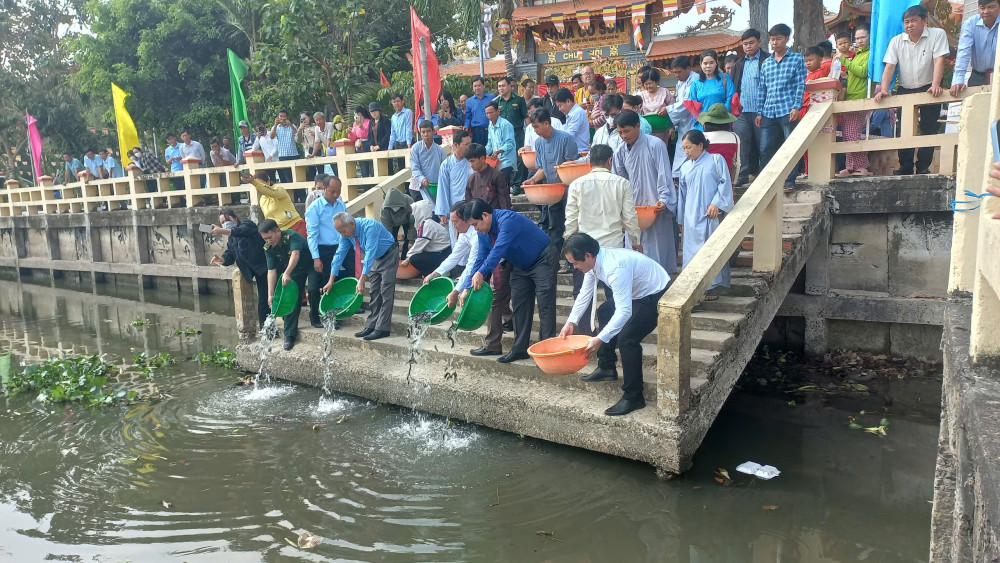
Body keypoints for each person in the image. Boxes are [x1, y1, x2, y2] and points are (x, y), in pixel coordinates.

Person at [559, 232, 669, 416]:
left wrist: (600, 338)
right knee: (604, 311)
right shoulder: (593, 261)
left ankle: (634, 396)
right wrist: (571, 321)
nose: (574, 267)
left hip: (655, 294)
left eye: (575, 263)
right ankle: (606, 366)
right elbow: (585, 293)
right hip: (636, 293)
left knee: (627, 339)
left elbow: (624, 311)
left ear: (587, 255)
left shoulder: (615, 267)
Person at [456, 199, 558, 363]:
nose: (475, 229)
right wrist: (467, 285)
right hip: (520, 264)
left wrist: (482, 273)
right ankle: (519, 349)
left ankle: (546, 351)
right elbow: (480, 257)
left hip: (543, 259)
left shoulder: (508, 220)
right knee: (519, 305)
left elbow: (498, 250)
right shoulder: (483, 233)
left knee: (545, 305)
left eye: (475, 224)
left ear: (485, 215)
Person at [564, 143, 641, 335]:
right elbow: (630, 217)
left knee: (582, 292)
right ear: (610, 161)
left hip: (583, 249)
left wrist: (570, 244)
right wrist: (636, 240)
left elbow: (571, 219)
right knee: (614, 294)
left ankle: (584, 335)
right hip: (613, 247)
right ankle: (615, 334)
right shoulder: (622, 183)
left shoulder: (577, 184)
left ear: (589, 162)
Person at [875, 4, 949, 175]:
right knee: (904, 129)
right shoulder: (897, 40)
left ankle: (923, 165)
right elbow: (890, 67)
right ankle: (905, 166)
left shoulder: (937, 35)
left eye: (914, 21)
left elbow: (939, 61)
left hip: (929, 86)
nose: (909, 25)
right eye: (906, 22)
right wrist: (884, 89)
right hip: (906, 88)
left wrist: (936, 85)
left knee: (928, 127)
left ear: (925, 21)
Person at [612, 110, 678, 274]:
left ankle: (659, 282)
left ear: (637, 126)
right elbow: (618, 179)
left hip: (654, 203)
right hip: (633, 206)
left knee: (656, 246)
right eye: (620, 132)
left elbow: (664, 173)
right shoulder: (620, 150)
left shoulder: (655, 144)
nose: (623, 136)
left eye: (626, 131)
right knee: (634, 244)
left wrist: (663, 199)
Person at [678, 130, 734, 307]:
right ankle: (693, 286)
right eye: (684, 148)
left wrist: (717, 203)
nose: (686, 151)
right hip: (690, 215)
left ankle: (712, 286)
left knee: (710, 248)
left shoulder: (716, 160)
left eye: (689, 147)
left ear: (700, 145)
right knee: (691, 252)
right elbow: (682, 194)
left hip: (710, 213)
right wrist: (681, 218)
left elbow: (725, 183)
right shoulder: (685, 167)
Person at [323, 212, 399, 341]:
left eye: (343, 231)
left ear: (352, 224)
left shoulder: (370, 226)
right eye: (339, 232)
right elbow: (339, 255)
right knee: (374, 291)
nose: (342, 234)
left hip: (388, 254)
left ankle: (383, 329)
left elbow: (369, 252)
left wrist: (362, 279)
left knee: (386, 291)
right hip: (376, 258)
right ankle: (372, 325)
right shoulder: (347, 234)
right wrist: (331, 280)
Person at [756, 23, 807, 191]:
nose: (774, 43)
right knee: (765, 149)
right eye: (771, 39)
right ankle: (765, 182)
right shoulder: (766, 63)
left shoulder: (797, 59)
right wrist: (759, 112)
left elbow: (800, 85)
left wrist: (796, 106)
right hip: (769, 110)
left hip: (788, 109)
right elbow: (762, 88)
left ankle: (790, 181)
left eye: (778, 39)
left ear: (787, 39)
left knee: (790, 147)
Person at [523, 108, 578, 254]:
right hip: (552, 193)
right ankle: (556, 260)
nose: (534, 130)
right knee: (554, 227)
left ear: (546, 123)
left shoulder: (566, 139)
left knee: (571, 226)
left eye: (536, 126)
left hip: (569, 191)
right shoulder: (539, 143)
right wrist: (533, 180)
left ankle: (572, 260)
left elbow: (571, 166)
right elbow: (542, 169)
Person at [305, 175, 355, 328]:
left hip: (342, 246)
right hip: (322, 249)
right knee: (318, 285)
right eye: (332, 191)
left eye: (338, 191)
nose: (335, 195)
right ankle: (316, 317)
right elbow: (312, 235)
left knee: (349, 277)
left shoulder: (341, 205)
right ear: (324, 189)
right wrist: (316, 257)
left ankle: (342, 310)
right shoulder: (315, 208)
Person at [258, 219, 313, 350]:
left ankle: (317, 319)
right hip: (295, 270)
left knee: (314, 289)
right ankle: (289, 335)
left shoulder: (291, 235)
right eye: (265, 239)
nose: (268, 241)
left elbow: (295, 254)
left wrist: (287, 273)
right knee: (290, 297)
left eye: (270, 237)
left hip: (311, 264)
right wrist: (270, 295)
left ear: (278, 231)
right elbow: (271, 271)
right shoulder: (268, 247)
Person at [210, 209, 269, 328]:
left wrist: (223, 231)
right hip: (250, 271)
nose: (225, 223)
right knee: (261, 300)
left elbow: (240, 231)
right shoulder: (231, 239)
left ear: (235, 218)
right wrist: (222, 260)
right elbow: (230, 254)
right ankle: (265, 329)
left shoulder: (247, 225)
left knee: (265, 300)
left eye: (227, 220)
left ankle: (267, 328)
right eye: (222, 222)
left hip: (264, 267)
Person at [731, 29, 768, 187]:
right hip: (742, 112)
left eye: (751, 43)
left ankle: (765, 174)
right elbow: (733, 87)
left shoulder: (768, 60)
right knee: (742, 144)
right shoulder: (739, 64)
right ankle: (742, 175)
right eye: (745, 44)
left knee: (764, 144)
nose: (748, 46)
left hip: (763, 110)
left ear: (759, 41)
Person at [839, 24, 871, 177]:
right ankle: (851, 166)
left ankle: (863, 166)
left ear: (869, 37)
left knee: (853, 133)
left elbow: (863, 72)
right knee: (847, 134)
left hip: (860, 96)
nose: (859, 41)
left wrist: (844, 61)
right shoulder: (857, 54)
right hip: (850, 96)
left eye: (862, 37)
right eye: (857, 38)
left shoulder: (870, 54)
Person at [951, 0, 999, 95]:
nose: (986, 11)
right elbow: (963, 52)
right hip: (978, 77)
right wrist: (958, 80)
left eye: (991, 7)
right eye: (982, 8)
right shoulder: (970, 23)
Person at [427, 201, 479, 288]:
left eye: (456, 222)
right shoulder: (464, 233)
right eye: (452, 222)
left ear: (467, 219)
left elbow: (472, 264)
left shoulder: (477, 234)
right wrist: (434, 274)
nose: (454, 226)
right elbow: (454, 256)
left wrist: (456, 290)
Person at [241, 171, 308, 238]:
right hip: (279, 233)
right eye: (256, 186)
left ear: (268, 182)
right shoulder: (262, 199)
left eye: (260, 184)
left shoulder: (279, 189)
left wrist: (254, 182)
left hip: (296, 227)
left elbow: (272, 192)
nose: (258, 187)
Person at [436, 130, 474, 244]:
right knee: (456, 243)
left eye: (469, 144)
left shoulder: (472, 161)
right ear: (456, 145)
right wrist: (443, 212)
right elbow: (443, 189)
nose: (469, 147)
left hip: (471, 208)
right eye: (465, 144)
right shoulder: (446, 165)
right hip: (455, 209)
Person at [667, 55, 699, 177]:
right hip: (683, 122)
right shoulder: (679, 83)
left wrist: (669, 110)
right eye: (674, 72)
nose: (676, 75)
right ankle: (679, 177)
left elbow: (688, 102)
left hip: (693, 119)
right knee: (683, 149)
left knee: (691, 148)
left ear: (688, 68)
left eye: (679, 72)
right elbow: (679, 101)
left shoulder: (695, 80)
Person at [688, 50, 736, 129]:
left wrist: (722, 117)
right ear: (701, 64)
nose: (708, 66)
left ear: (716, 62)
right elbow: (692, 106)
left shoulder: (725, 78)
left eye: (711, 63)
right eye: (705, 63)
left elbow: (731, 98)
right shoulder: (696, 84)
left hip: (722, 122)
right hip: (703, 126)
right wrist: (703, 122)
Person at [402, 200, 451, 276]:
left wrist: (408, 258)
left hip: (442, 254)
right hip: (441, 252)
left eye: (413, 212)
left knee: (414, 259)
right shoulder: (428, 223)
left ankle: (434, 274)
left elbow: (419, 244)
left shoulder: (427, 225)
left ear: (420, 212)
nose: (412, 214)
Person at [495, 76, 528, 187]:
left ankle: (517, 185)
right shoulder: (497, 102)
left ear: (510, 86)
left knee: (519, 158)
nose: (501, 88)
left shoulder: (519, 100)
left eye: (503, 85)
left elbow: (526, 118)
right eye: (499, 86)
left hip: (517, 132)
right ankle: (506, 184)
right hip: (502, 135)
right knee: (504, 158)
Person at [699, 104, 741, 182]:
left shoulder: (701, 137)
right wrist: (733, 183)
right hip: (726, 182)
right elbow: (736, 164)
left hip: (705, 181)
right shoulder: (734, 137)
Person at [465, 142, 512, 210]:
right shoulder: (471, 179)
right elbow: (468, 204)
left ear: (482, 158)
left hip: (495, 216)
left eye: (472, 161)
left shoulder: (497, 175)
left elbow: (504, 201)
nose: (471, 164)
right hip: (478, 219)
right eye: (469, 162)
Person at [410, 120, 447, 202]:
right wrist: (422, 179)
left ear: (433, 131)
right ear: (420, 133)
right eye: (423, 132)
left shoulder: (439, 150)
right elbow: (414, 168)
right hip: (417, 187)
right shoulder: (415, 148)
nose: (426, 134)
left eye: (428, 131)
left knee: (434, 212)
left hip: (434, 187)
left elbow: (445, 167)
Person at [638, 68, 677, 146]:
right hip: (647, 131)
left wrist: (672, 127)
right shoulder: (641, 95)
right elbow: (636, 109)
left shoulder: (664, 92)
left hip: (663, 130)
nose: (648, 86)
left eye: (650, 83)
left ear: (657, 82)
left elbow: (673, 108)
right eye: (646, 84)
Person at [484, 101, 516, 186]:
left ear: (498, 111)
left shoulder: (505, 124)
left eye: (491, 112)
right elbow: (490, 144)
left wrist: (498, 151)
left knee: (504, 187)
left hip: (507, 161)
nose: (489, 116)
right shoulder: (490, 125)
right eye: (487, 113)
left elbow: (510, 143)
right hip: (496, 162)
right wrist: (482, 153)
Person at [554, 87, 590, 155]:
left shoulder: (577, 113)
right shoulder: (571, 114)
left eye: (560, 106)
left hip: (580, 153)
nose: (559, 109)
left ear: (568, 101)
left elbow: (569, 135)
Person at [270, 110, 299, 183]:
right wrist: (275, 125)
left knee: (295, 178)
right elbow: (271, 136)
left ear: (287, 117)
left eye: (284, 117)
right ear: (278, 117)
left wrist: (291, 125)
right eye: (281, 116)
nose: (282, 118)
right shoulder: (275, 127)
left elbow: (297, 135)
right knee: (285, 179)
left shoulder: (292, 126)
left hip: (293, 155)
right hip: (282, 156)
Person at [465, 76, 495, 146]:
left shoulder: (492, 98)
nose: (477, 88)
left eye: (479, 85)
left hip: (490, 129)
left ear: (483, 86)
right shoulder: (469, 101)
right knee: (478, 153)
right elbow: (468, 116)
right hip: (477, 132)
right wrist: (466, 126)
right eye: (475, 86)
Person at [350, 106, 373, 177]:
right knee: (363, 167)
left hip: (368, 143)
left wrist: (361, 127)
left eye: (357, 114)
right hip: (360, 145)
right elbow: (354, 137)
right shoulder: (355, 124)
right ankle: (365, 187)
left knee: (371, 166)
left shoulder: (368, 122)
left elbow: (368, 134)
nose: (356, 116)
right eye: (355, 115)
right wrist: (350, 133)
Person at [295, 111, 316, 182]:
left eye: (305, 118)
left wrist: (315, 134)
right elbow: (298, 140)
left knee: (320, 171)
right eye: (302, 119)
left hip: (317, 151)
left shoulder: (315, 126)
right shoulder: (301, 129)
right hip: (307, 153)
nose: (304, 120)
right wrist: (300, 129)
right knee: (311, 174)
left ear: (309, 118)